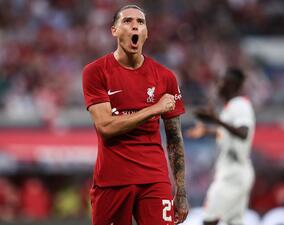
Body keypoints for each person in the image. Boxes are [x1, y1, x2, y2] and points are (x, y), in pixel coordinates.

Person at [82, 5, 188, 225]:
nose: (135, 26)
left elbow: (175, 140)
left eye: (140, 22)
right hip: (112, 181)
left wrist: (182, 191)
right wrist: (154, 109)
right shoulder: (95, 72)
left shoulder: (166, 77)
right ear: (114, 30)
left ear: (146, 33)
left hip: (154, 180)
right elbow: (106, 127)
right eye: (128, 21)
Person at [187, 68, 255, 225]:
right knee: (234, 222)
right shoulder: (231, 107)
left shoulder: (240, 105)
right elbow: (228, 133)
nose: (218, 85)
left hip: (232, 174)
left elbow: (243, 132)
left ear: (232, 85)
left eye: (222, 81)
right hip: (238, 172)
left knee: (209, 220)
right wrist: (208, 131)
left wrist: (216, 120)